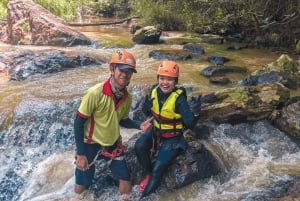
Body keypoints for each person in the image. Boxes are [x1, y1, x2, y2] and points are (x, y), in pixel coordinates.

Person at [73, 50, 153, 196]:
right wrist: (80, 154)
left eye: (129, 72)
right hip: (90, 144)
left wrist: (139, 125)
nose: (125, 74)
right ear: (112, 69)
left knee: (125, 178)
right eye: (121, 70)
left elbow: (123, 120)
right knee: (82, 184)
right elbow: (78, 123)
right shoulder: (95, 93)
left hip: (113, 144)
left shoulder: (127, 97)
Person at [134, 60, 201, 198]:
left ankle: (143, 197)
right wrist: (145, 107)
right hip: (156, 132)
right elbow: (148, 113)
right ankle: (148, 173)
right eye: (162, 78)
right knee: (139, 146)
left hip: (173, 138)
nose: (165, 82)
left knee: (158, 170)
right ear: (158, 79)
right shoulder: (154, 91)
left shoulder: (179, 99)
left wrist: (195, 113)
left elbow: (190, 124)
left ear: (175, 81)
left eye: (169, 79)